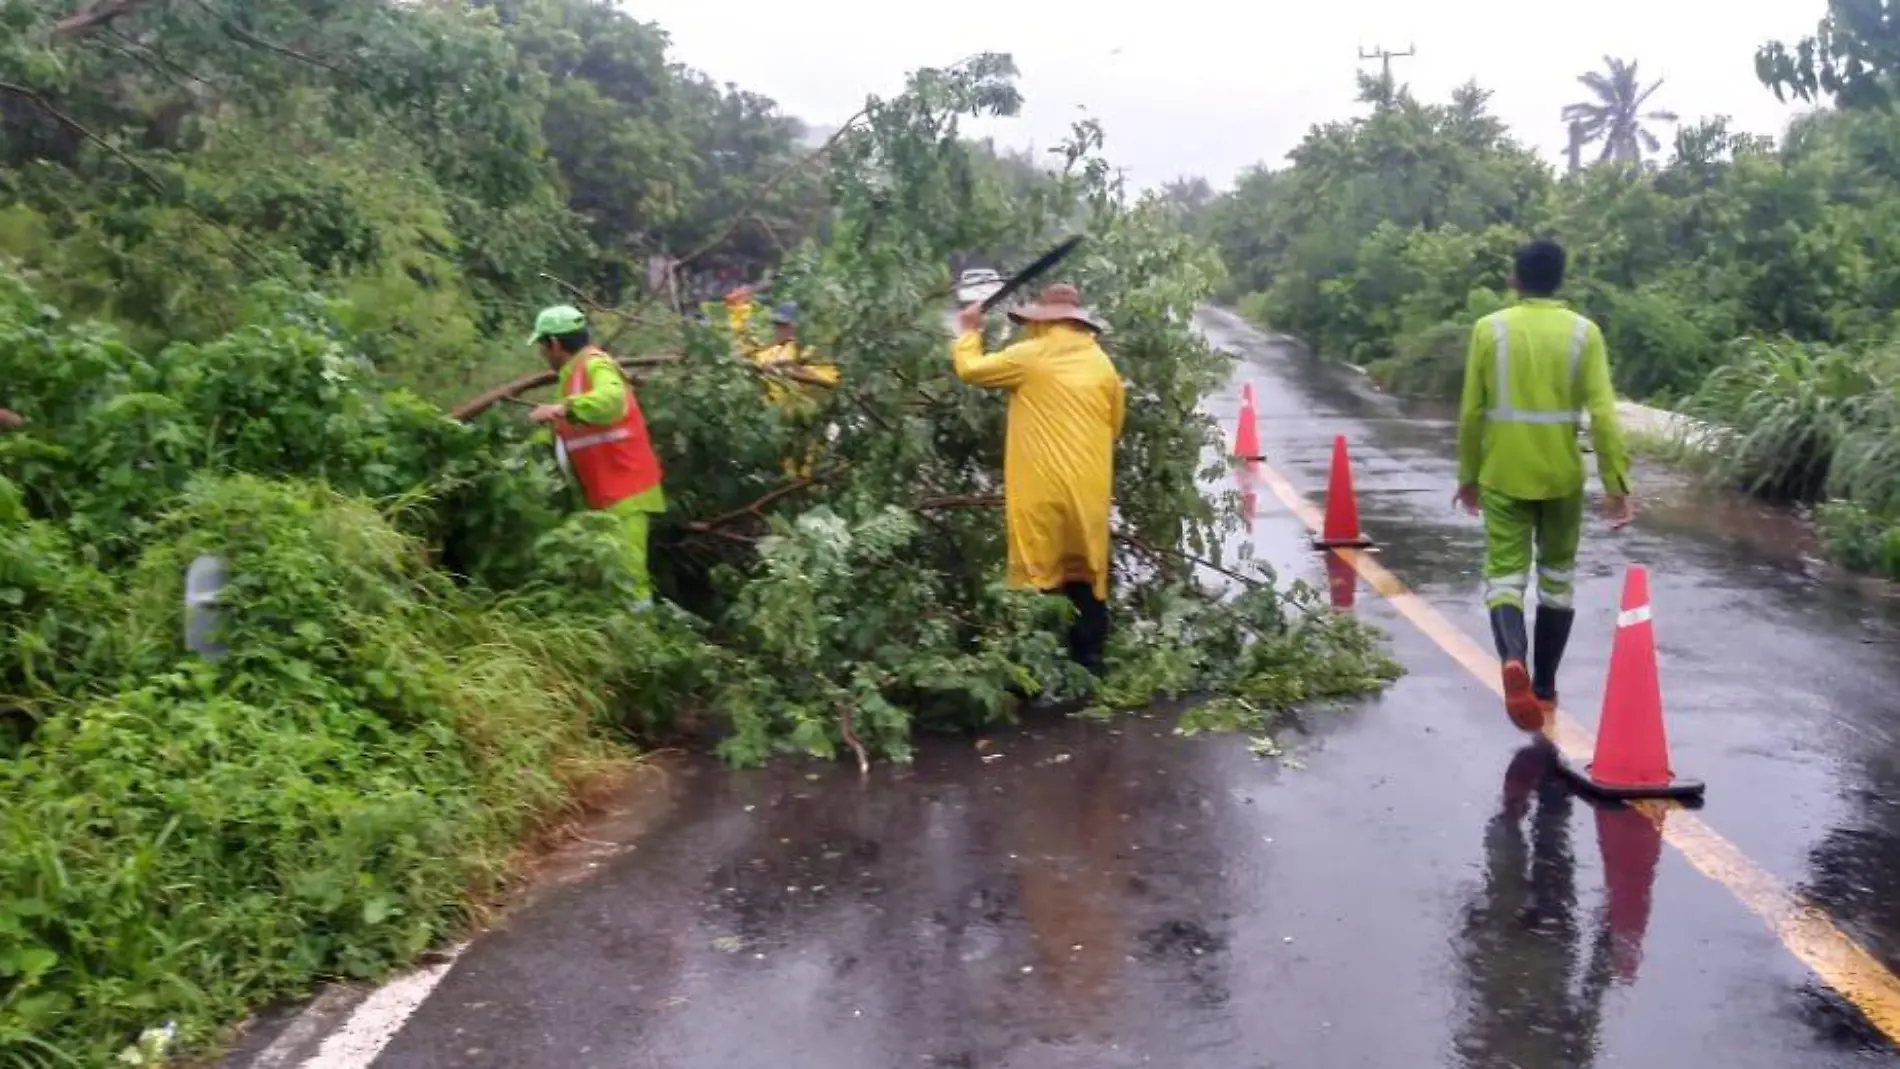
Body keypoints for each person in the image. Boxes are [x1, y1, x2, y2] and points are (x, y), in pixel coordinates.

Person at [1455, 239, 1632, 733]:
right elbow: (1603, 414)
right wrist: (1616, 483)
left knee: (1505, 576)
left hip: (1503, 472)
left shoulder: (1489, 330)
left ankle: (1514, 658)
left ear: (1515, 278)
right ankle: (1546, 685)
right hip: (1562, 477)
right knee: (1557, 580)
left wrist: (1467, 476)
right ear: (1561, 279)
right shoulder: (1584, 334)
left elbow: (1471, 412)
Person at [953, 283, 1125, 676]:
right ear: (1078, 321)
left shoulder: (1030, 355)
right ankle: (1088, 665)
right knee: (1085, 570)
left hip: (1040, 490)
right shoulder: (1103, 365)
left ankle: (1034, 670)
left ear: (1043, 321)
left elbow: (970, 369)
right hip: (1089, 493)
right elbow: (1114, 426)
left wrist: (968, 331)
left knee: (1037, 570)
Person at [527, 305, 667, 609]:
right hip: (606, 493)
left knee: (628, 578)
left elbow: (612, 401)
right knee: (611, 575)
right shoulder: (572, 374)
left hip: (625, 489)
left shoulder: (594, 364)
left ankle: (644, 643)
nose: (542, 353)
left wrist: (561, 409)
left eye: (542, 345)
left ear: (554, 344)